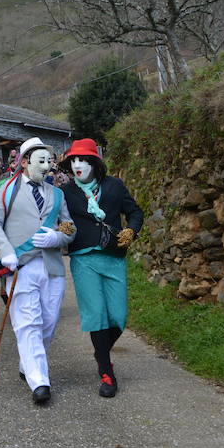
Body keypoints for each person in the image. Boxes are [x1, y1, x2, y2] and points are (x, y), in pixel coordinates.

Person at [0, 137, 76, 405]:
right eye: (41, 161)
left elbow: (69, 227)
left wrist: (58, 238)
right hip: (21, 266)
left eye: (49, 161)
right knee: (28, 322)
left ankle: (28, 364)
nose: (47, 167)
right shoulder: (5, 189)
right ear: (24, 162)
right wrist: (5, 250)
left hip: (52, 267)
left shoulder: (57, 194)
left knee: (48, 323)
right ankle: (40, 381)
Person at [59, 138, 143, 398]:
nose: (77, 165)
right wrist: (61, 228)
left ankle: (100, 352)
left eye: (83, 160)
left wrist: (131, 230)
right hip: (84, 258)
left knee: (118, 317)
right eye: (73, 160)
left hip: (113, 256)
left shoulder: (115, 186)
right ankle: (107, 372)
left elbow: (135, 212)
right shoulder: (65, 192)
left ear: (95, 163)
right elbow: (57, 218)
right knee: (96, 314)